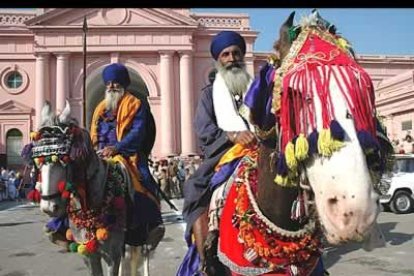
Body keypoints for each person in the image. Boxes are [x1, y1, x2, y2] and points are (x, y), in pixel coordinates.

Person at [179, 30, 257, 275]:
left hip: (261, 149)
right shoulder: (208, 95)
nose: (232, 58)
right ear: (218, 60)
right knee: (195, 191)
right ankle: (206, 262)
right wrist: (232, 136)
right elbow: (204, 129)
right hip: (225, 154)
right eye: (226, 54)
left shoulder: (259, 90)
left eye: (236, 53)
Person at [89, 63, 164, 248]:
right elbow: (94, 132)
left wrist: (117, 148)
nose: (111, 86)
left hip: (127, 154)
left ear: (123, 84)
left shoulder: (135, 104)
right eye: (109, 83)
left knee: (145, 180)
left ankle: (152, 224)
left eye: (116, 83)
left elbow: (137, 133)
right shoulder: (100, 108)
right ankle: (63, 225)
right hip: (100, 155)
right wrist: (95, 149)